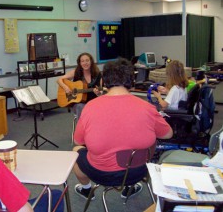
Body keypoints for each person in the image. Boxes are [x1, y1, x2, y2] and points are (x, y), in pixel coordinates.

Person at [72, 58, 173, 200]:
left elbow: (78, 140)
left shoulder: (90, 107)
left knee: (76, 150)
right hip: (139, 171)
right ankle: (128, 188)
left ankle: (87, 189)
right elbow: (168, 134)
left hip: (102, 174)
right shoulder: (147, 107)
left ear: (104, 81)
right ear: (131, 81)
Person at [57, 52, 102, 120]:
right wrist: (65, 87)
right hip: (79, 103)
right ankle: (82, 128)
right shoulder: (76, 72)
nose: (85, 63)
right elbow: (59, 80)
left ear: (91, 61)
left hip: (94, 102)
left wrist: (99, 93)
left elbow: (102, 91)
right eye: (82, 61)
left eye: (87, 60)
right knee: (80, 107)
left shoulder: (97, 74)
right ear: (80, 63)